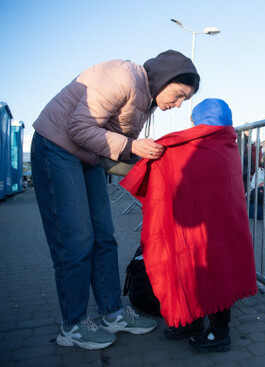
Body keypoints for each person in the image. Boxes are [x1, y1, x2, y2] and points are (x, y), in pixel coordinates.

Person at [31, 49, 200, 350]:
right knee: (77, 239)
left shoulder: (145, 100)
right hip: (56, 147)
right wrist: (133, 146)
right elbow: (79, 127)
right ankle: (73, 324)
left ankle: (113, 313)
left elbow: (112, 146)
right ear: (164, 79)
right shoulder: (123, 76)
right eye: (178, 95)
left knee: (105, 236)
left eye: (183, 100)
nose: (177, 105)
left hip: (87, 156)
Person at [119, 98, 258, 353]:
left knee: (212, 270)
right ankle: (191, 322)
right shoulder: (228, 144)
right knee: (199, 268)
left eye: (194, 121)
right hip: (216, 224)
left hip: (210, 226)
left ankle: (220, 333)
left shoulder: (191, 144)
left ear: (199, 121)